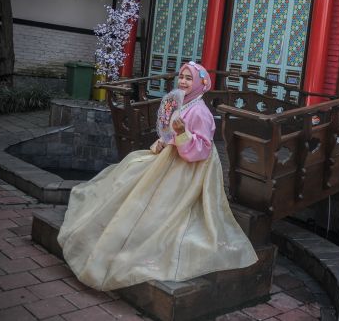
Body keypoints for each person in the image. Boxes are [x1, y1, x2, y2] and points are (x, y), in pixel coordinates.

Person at [57, 61, 258, 291]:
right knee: (133, 166)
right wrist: (166, 139)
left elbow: (201, 149)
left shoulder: (201, 112)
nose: (183, 81)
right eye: (181, 77)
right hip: (173, 156)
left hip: (190, 167)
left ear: (201, 83)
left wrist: (183, 134)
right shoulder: (183, 102)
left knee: (162, 200)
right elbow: (172, 131)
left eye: (188, 78)